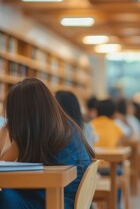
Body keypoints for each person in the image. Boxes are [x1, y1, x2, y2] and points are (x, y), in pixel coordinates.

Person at [0, 78, 94, 208]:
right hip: (66, 199)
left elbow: (3, 166)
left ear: (24, 116)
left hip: (58, 201)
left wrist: (6, 133)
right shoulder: (61, 129)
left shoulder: (51, 135)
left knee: (5, 196)